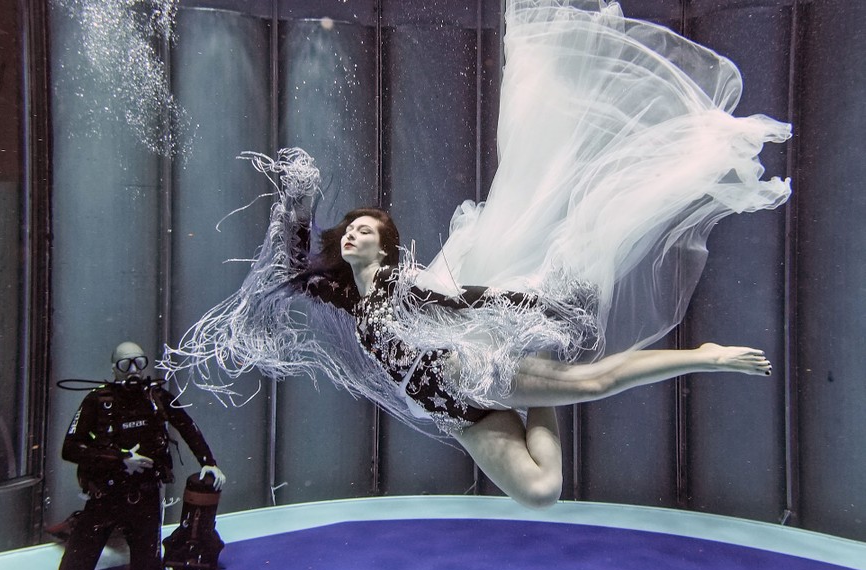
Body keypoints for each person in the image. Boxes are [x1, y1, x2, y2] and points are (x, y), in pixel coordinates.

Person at [165, 0, 790, 508]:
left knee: (594, 380)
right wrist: (297, 206)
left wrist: (533, 308)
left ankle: (704, 356)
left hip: (475, 374)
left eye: (365, 230)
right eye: (348, 230)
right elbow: (292, 269)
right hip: (451, 410)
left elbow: (468, 301)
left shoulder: (403, 287)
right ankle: (543, 386)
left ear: (386, 244)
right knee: (541, 492)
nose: (352, 234)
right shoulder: (346, 294)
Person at [56, 342, 226, 570]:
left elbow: (187, 426)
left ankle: (128, 534)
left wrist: (209, 463)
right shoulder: (97, 401)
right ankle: (82, 525)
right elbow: (69, 449)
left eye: (139, 362)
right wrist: (121, 459)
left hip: (143, 498)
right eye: (126, 364)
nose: (134, 370)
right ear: (114, 368)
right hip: (104, 497)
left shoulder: (156, 398)